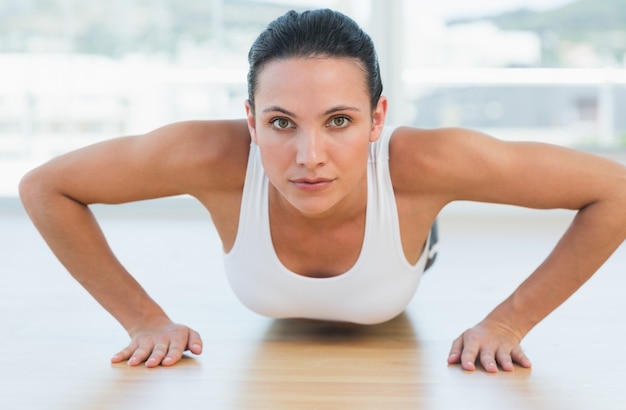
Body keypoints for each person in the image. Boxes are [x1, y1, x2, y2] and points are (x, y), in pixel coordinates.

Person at [18, 8, 626, 373]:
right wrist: (142, 321)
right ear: (251, 120)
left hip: (401, 233)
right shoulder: (211, 153)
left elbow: (615, 191)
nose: (309, 157)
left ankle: (420, 227)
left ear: (377, 118)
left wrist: (509, 324)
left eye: (339, 121)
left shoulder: (424, 160)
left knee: (402, 199)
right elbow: (46, 187)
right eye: (281, 122)